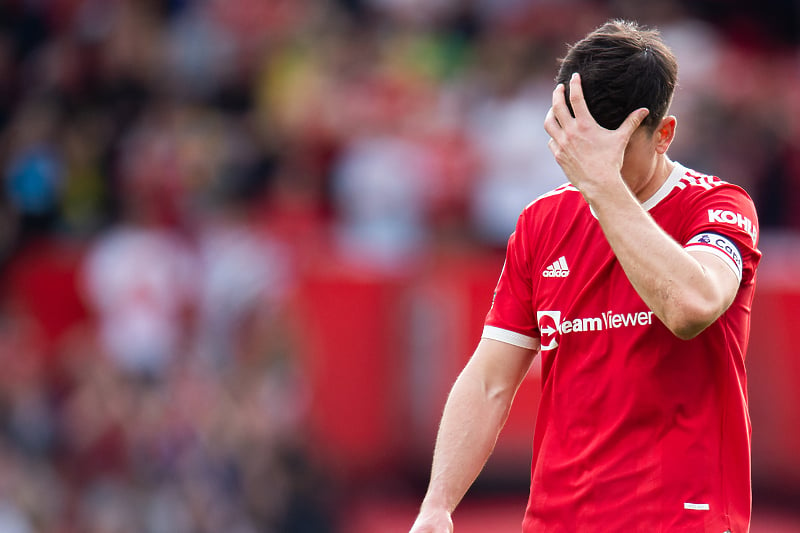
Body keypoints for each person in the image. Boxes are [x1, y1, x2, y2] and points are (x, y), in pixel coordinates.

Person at [409, 19, 761, 533]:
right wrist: (437, 505)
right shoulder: (541, 224)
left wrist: (601, 186)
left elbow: (692, 307)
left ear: (663, 135)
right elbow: (489, 380)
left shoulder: (718, 206)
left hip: (681, 518)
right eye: (581, 147)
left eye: (614, 153)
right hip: (558, 520)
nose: (592, 166)